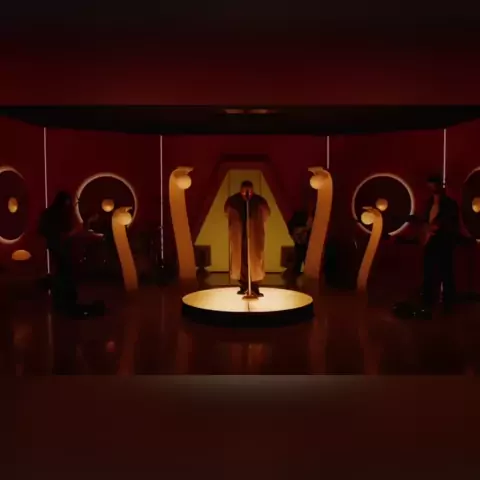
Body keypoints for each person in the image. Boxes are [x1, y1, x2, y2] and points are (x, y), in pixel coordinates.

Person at [38, 191, 96, 314]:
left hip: (56, 246)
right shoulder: (59, 215)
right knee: (64, 271)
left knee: (61, 271)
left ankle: (61, 300)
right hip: (61, 246)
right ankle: (65, 300)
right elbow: (66, 232)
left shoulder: (50, 214)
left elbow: (44, 230)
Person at [420, 175, 459, 313]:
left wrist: (438, 226)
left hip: (444, 241)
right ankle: (428, 299)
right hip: (431, 240)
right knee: (429, 270)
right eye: (430, 186)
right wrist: (427, 231)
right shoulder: (429, 203)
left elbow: (451, 222)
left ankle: (448, 301)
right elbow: (425, 220)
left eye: (434, 186)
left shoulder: (450, 204)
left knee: (446, 271)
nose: (432, 189)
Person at [224, 180, 270, 297]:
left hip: (254, 235)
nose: (247, 193)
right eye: (244, 191)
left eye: (249, 191)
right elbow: (227, 212)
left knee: (255, 260)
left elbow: (266, 214)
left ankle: (254, 286)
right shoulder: (233, 201)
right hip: (239, 235)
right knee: (241, 260)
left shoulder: (259, 201)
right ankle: (243, 285)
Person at [287, 207, 314, 275]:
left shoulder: (316, 246)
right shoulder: (299, 248)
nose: (299, 238)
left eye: (302, 233)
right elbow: (294, 270)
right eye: (296, 235)